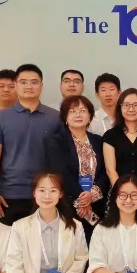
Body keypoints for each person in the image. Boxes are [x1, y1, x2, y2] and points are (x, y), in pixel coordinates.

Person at [0, 64, 62, 224]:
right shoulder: (0, 118)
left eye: (34, 82)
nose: (29, 86)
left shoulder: (56, 117)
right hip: (9, 195)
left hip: (46, 194)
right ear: (16, 85)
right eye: (23, 82)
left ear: (41, 86)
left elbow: (63, 157)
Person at [44, 95, 109, 240]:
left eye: (82, 111)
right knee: (71, 243)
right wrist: (82, 201)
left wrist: (92, 195)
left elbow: (105, 172)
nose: (78, 115)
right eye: (72, 111)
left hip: (96, 203)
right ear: (65, 117)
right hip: (68, 204)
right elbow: (61, 173)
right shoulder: (56, 141)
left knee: (95, 242)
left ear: (90, 116)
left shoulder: (98, 141)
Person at [102, 87, 137, 195]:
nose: (131, 109)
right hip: (118, 194)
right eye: (126, 105)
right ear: (120, 108)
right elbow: (110, 170)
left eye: (136, 105)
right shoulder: (110, 136)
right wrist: (122, 194)